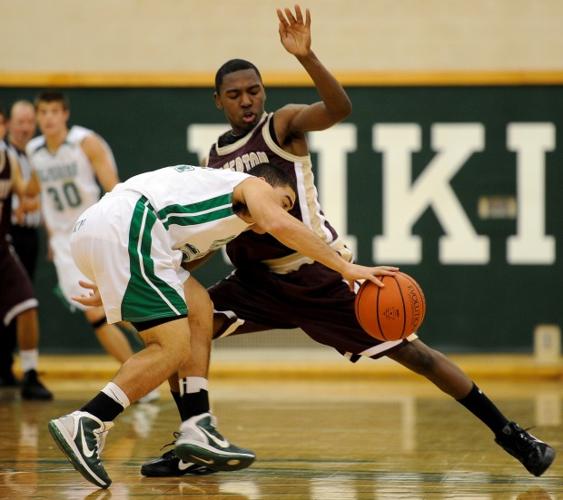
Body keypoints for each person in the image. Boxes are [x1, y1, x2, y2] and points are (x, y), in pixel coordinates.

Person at [141, 5, 555, 478]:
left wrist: (308, 57)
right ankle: (195, 438)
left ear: (264, 92)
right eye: (234, 95)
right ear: (218, 100)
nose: (246, 100)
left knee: (414, 353)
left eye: (253, 90)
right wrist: (170, 273)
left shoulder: (283, 126)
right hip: (254, 283)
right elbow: (211, 233)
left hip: (319, 273)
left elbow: (339, 109)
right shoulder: (213, 158)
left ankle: (513, 435)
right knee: (184, 332)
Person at [49, 161, 394, 489]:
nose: (285, 210)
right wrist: (344, 267)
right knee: (172, 347)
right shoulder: (251, 185)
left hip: (105, 230)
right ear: (268, 185)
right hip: (129, 223)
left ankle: (197, 426)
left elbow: (179, 266)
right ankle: (89, 421)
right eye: (285, 201)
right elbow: (279, 224)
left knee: (199, 306)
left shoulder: (221, 217)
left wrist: (114, 277)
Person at [26, 91, 157, 401]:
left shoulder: (86, 143)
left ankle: (151, 365)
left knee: (112, 308)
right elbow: (36, 191)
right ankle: (142, 374)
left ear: (65, 114)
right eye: (43, 112)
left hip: (92, 231)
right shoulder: (34, 151)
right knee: (100, 312)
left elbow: (114, 188)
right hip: (62, 243)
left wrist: (116, 230)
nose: (48, 118)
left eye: (54, 111)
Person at [0, 105, 52, 400]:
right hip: (12, 236)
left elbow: (26, 193)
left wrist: (39, 169)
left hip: (5, 245)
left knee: (26, 304)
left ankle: (29, 373)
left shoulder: (13, 157)